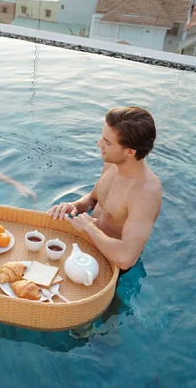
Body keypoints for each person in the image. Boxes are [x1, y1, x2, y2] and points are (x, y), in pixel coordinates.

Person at [48, 106, 162, 271]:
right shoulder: (113, 163)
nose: (99, 144)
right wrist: (75, 206)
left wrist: (90, 228)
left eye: (107, 142)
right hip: (85, 243)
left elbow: (126, 258)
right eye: (103, 138)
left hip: (111, 264)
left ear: (130, 151)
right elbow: (94, 198)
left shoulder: (145, 193)